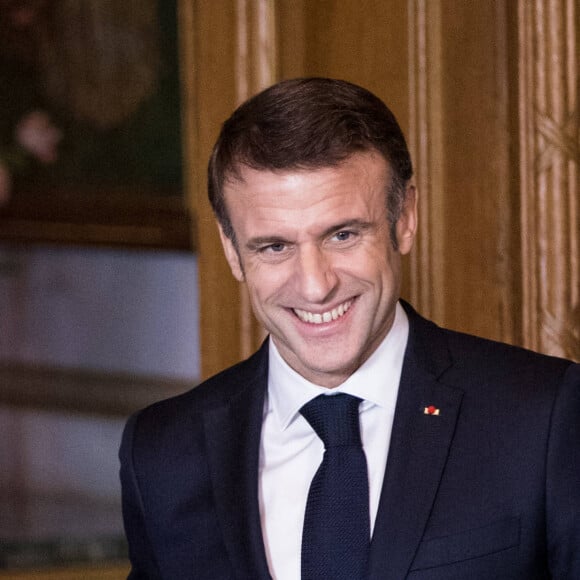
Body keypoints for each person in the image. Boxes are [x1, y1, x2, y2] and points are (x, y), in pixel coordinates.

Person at [119, 77, 580, 579]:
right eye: (274, 246)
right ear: (232, 250)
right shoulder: (162, 452)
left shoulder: (545, 419)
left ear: (404, 217)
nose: (315, 287)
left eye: (342, 235)